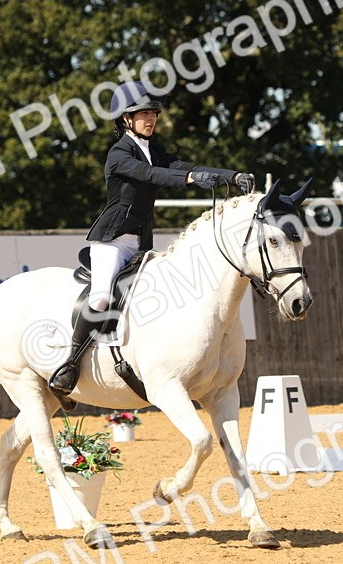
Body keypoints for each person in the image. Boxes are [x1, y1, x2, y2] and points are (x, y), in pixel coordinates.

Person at [47, 80, 256, 396]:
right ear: (126, 119)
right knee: (101, 297)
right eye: (143, 114)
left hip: (141, 243)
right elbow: (152, 175)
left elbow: (183, 165)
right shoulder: (119, 154)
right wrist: (191, 179)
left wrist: (233, 176)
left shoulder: (153, 150)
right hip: (112, 241)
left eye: (153, 114)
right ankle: (70, 363)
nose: (150, 119)